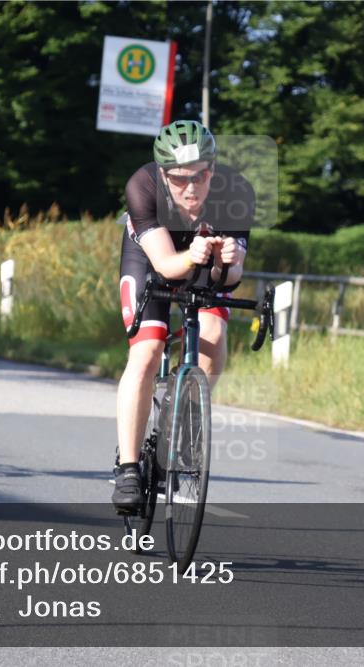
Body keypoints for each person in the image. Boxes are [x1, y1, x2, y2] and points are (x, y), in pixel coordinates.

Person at [112, 120, 254, 510]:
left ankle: (183, 419)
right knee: (147, 351)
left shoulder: (236, 191)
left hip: (203, 259)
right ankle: (128, 468)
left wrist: (228, 261)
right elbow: (165, 265)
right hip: (153, 258)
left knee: (214, 334)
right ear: (163, 174)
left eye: (200, 176)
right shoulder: (142, 186)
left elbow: (233, 277)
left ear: (213, 169)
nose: (190, 188)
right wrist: (191, 255)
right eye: (178, 178)